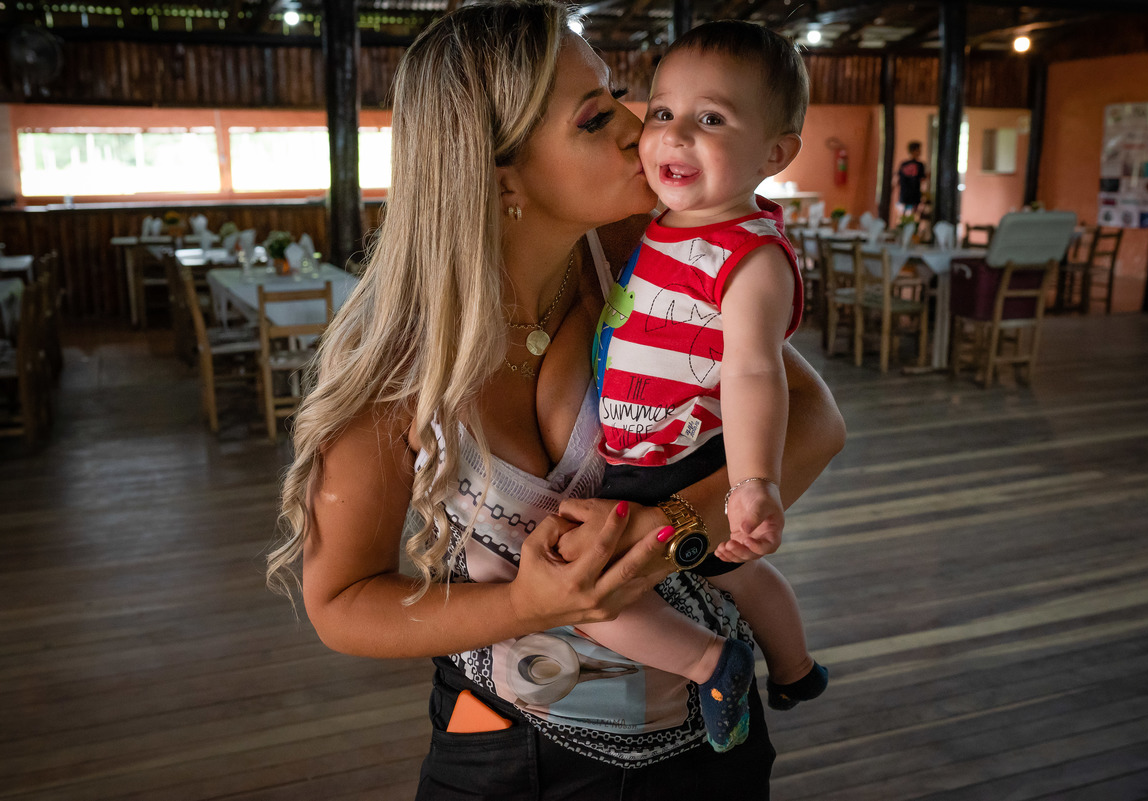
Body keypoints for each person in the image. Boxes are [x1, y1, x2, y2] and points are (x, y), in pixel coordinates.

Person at [264, 2, 845, 798]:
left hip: (714, 734)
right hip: (522, 756)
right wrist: (526, 602)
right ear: (503, 173)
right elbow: (340, 604)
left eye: (620, 96)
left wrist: (670, 526)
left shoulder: (640, 252)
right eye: (596, 116)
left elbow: (813, 419)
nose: (640, 130)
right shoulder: (403, 364)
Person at [582, 20, 827, 755]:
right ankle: (797, 668)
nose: (674, 135)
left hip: (675, 459)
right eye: (662, 113)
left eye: (710, 118)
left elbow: (755, 370)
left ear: (775, 153)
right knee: (738, 575)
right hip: (640, 448)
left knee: (592, 598)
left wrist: (754, 481)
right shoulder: (660, 222)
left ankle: (712, 661)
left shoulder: (751, 257)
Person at [896, 140, 927, 215]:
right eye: (918, 150)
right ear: (914, 151)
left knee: (904, 215)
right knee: (913, 215)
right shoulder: (920, 165)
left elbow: (898, 180)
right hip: (914, 195)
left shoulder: (903, 164)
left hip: (904, 195)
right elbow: (922, 178)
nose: (920, 152)